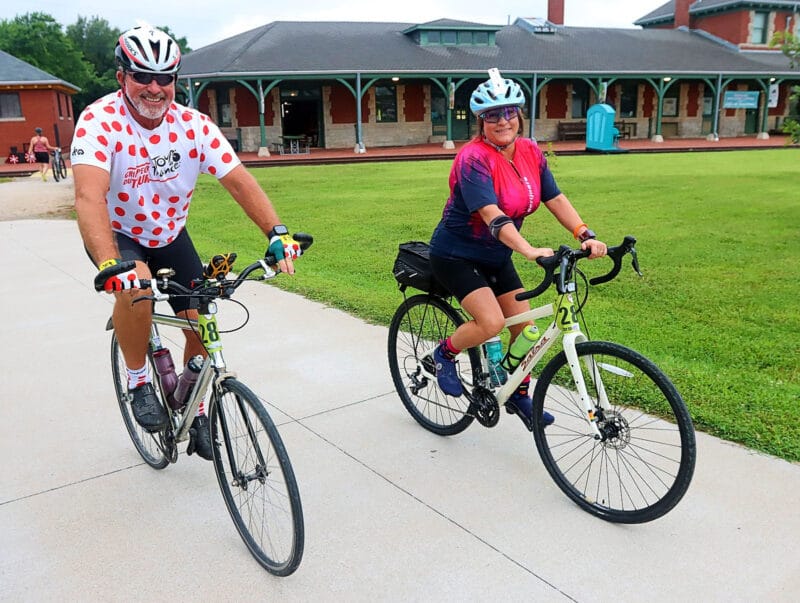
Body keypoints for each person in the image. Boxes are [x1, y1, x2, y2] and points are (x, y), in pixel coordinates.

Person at [72, 25, 303, 460]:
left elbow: (238, 180)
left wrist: (277, 233)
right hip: (120, 233)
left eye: (165, 77)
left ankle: (194, 406)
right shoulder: (99, 121)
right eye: (142, 76)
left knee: (202, 311)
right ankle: (138, 380)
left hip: (169, 233)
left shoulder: (193, 125)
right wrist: (107, 263)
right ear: (122, 77)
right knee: (137, 290)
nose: (154, 87)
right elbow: (88, 196)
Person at [428, 69, 608, 431]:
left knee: (526, 330)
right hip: (456, 254)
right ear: (481, 122)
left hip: (496, 256)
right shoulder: (472, 158)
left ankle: (517, 394)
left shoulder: (529, 150)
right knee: (491, 322)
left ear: (519, 115)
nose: (503, 121)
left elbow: (554, 197)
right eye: (492, 115)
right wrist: (528, 250)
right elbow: (491, 215)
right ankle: (442, 356)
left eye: (509, 112)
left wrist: (584, 233)